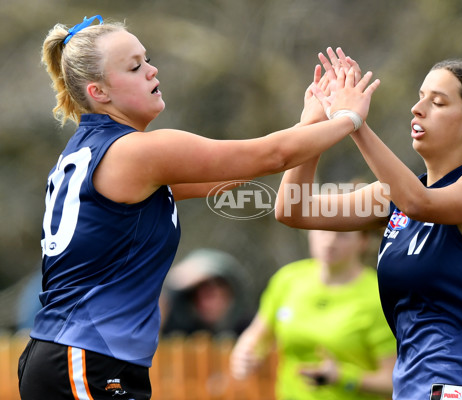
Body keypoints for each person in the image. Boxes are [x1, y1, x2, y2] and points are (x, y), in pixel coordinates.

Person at [18, 16, 380, 400]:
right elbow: (271, 156)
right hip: (83, 359)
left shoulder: (102, 150)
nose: (152, 70)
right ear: (99, 92)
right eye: (135, 66)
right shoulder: (137, 151)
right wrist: (349, 118)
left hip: (81, 358)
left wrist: (307, 125)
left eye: (147, 59)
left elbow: (233, 173)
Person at [274, 48, 462, 400]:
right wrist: (313, 125)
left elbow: (419, 203)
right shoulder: (394, 198)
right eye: (420, 98)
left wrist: (354, 123)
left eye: (438, 102)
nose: (418, 109)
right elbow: (293, 210)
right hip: (412, 386)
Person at [230, 229, 396, 400]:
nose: (330, 242)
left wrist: (342, 377)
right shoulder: (288, 280)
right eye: (323, 232)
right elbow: (258, 334)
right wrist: (245, 353)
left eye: (342, 235)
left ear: (363, 241)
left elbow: (392, 381)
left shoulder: (378, 296)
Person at [160, 248, 252, 338]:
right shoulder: (178, 329)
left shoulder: (244, 328)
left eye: (220, 295)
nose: (214, 303)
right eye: (208, 295)